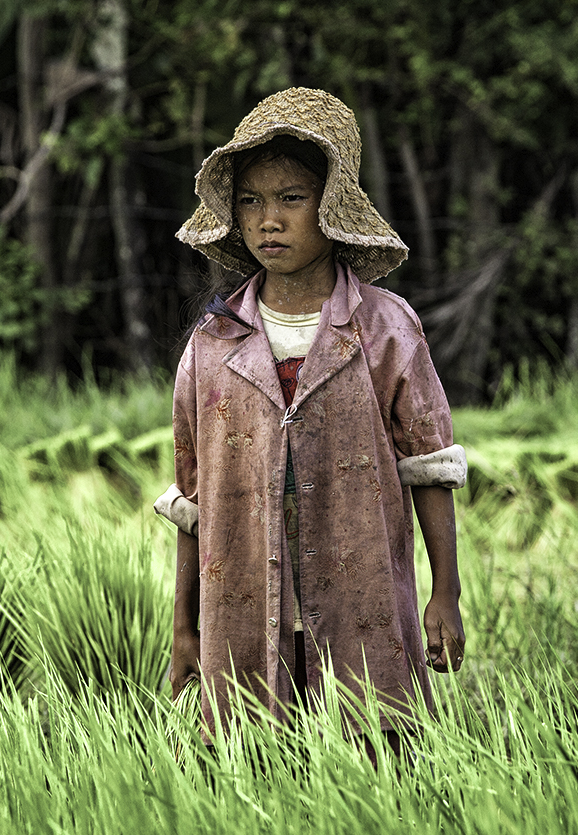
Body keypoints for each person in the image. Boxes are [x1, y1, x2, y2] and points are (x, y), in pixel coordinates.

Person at [153, 88, 467, 748]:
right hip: (243, 599)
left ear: (330, 208)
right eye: (249, 201)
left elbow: (428, 467)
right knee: (252, 760)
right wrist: (183, 625)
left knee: (380, 751)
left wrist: (445, 593)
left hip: (363, 594)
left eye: (290, 199)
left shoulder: (384, 328)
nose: (268, 220)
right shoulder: (213, 342)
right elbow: (192, 498)